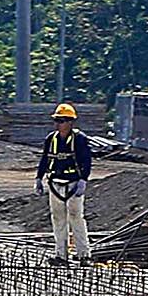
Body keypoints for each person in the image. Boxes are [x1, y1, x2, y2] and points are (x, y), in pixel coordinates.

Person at [37, 102, 95, 262]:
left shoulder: (80, 139)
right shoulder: (51, 139)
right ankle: (61, 254)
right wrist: (39, 178)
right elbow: (45, 159)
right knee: (58, 219)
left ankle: (83, 254)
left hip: (73, 184)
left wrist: (83, 180)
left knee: (76, 217)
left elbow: (87, 161)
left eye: (61, 121)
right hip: (55, 183)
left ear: (70, 122)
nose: (58, 124)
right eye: (56, 120)